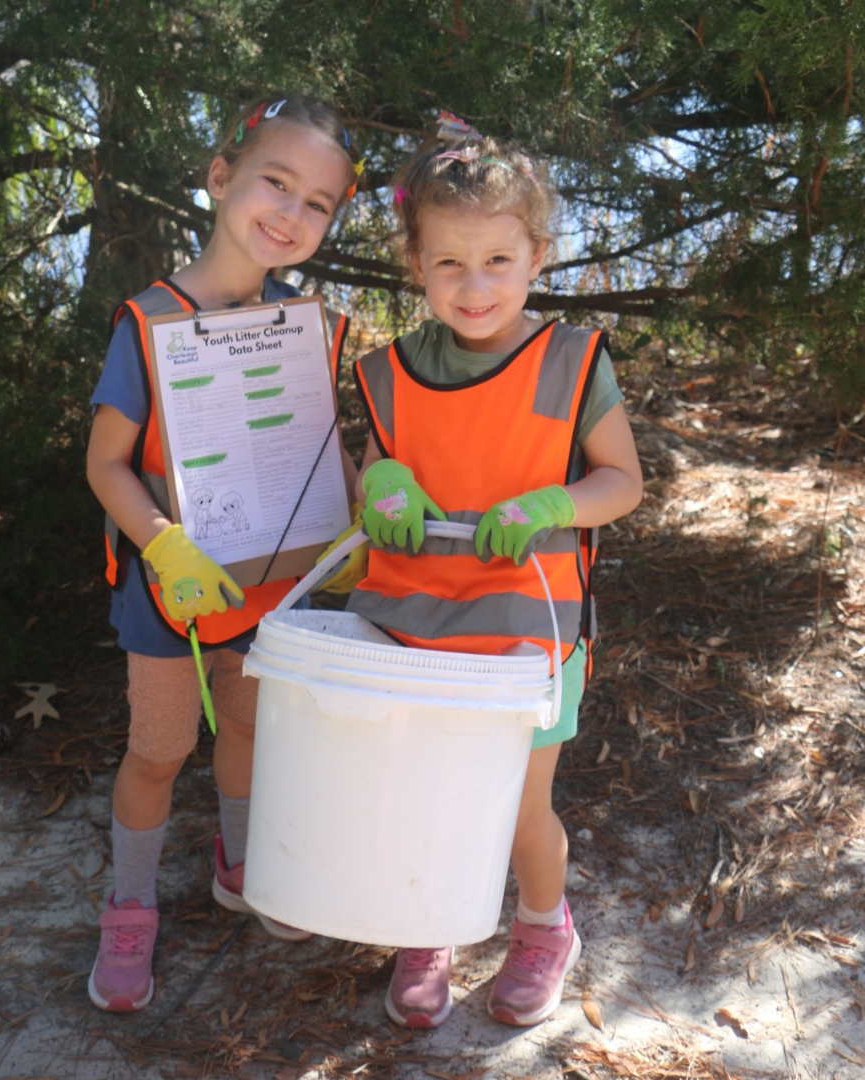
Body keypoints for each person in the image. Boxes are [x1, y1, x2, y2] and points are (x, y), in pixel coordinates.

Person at [346, 112, 643, 1029]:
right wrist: (380, 482)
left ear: (538, 255)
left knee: (519, 806)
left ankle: (544, 928)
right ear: (416, 263)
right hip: (415, 622)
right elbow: (374, 466)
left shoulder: (571, 360)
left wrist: (554, 503)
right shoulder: (390, 371)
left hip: (531, 627)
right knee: (423, 791)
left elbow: (622, 482)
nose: (475, 287)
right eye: (449, 265)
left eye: (499, 263)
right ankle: (425, 926)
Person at [84, 93, 361, 1012]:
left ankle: (238, 863)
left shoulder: (304, 323)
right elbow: (106, 462)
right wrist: (162, 544)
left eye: (317, 202)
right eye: (275, 183)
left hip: (270, 583)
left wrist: (354, 520)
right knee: (160, 748)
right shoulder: (148, 316)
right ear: (218, 178)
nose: (290, 212)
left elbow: (316, 444)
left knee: (248, 726)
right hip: (173, 588)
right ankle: (128, 906)